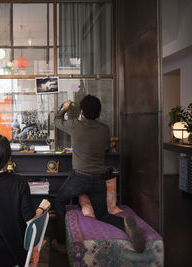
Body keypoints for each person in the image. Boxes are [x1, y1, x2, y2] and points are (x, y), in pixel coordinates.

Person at [54, 94, 146, 252]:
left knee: (58, 200)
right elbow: (104, 148)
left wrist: (64, 108)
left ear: (82, 111)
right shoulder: (105, 129)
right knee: (102, 214)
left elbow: (57, 121)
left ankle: (62, 243)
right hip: (98, 180)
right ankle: (125, 225)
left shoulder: (76, 125)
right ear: (98, 112)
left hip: (79, 178)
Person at [0, 135, 51, 267]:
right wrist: (41, 208)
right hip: (13, 255)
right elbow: (31, 223)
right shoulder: (19, 183)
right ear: (8, 157)